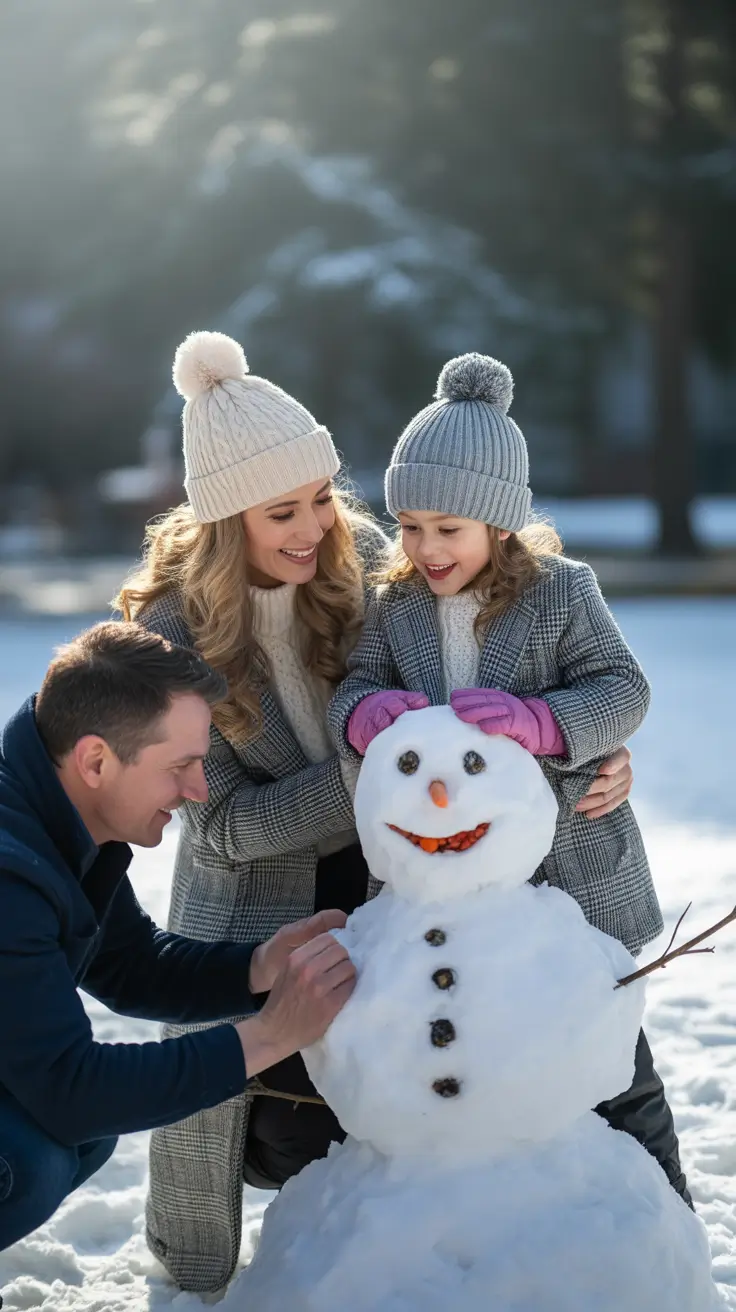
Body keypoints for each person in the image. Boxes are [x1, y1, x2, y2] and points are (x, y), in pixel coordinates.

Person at [118, 331, 639, 1291]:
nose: (319, 526)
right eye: (284, 512)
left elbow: (498, 669)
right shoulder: (168, 639)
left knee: (470, 1067)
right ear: (226, 520)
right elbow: (226, 829)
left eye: (324, 494)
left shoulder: (378, 561)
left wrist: (578, 750)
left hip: (401, 864)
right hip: (263, 890)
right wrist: (380, 773)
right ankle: (262, 1252)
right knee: (284, 1128)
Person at [328, 351, 692, 1208]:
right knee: (474, 1048)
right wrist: (363, 716)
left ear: (500, 523)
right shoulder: (398, 606)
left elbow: (622, 686)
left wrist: (545, 724)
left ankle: (663, 1212)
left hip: (565, 873)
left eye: (446, 529)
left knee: (610, 1058)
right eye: (409, 525)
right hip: (442, 878)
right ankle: (501, 1215)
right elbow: (356, 683)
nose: (422, 548)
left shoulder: (562, 593)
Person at [0, 622, 356, 1253]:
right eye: (182, 765)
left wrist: (258, 967)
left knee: (76, 1138)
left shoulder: (53, 812)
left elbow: (132, 965)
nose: (199, 790)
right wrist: (274, 1034)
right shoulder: (10, 872)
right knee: (27, 1156)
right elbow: (72, 1088)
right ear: (96, 760)